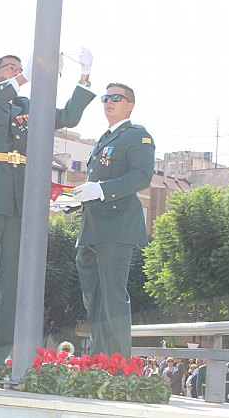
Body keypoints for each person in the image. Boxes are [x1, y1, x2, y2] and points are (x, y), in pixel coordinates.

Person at [0, 51, 95, 385]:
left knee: (12, 286)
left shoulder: (27, 108)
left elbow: (68, 117)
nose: (19, 72)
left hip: (19, 201)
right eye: (11, 68)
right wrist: (20, 80)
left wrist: (84, 79)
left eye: (21, 68)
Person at [73, 82, 155, 358]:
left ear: (129, 104)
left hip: (116, 225)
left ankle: (118, 365)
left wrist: (102, 190)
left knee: (112, 298)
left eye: (116, 98)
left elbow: (142, 176)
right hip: (92, 227)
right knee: (93, 301)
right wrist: (75, 200)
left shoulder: (136, 135)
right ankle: (99, 360)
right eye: (106, 98)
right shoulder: (103, 139)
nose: (109, 102)